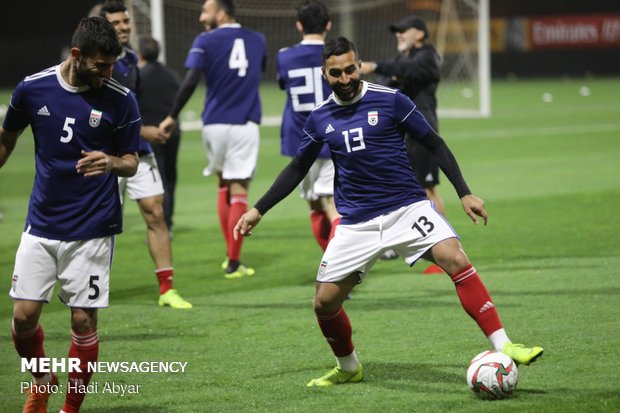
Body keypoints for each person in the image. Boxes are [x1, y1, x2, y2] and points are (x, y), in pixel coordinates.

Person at [234, 37, 543, 387]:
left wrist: (464, 192)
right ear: (325, 73)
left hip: (406, 208)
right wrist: (259, 209)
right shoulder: (320, 118)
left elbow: (434, 143)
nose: (345, 78)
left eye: (351, 69)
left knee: (455, 258)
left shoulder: (391, 100)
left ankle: (505, 345)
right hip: (355, 224)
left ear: (359, 64)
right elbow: (296, 168)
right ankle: (349, 368)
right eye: (336, 73)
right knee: (324, 303)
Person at [1, 17, 140, 413]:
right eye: (100, 65)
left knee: (82, 322)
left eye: (112, 65)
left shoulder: (121, 99)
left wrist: (112, 161)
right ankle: (42, 380)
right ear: (77, 56)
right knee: (23, 319)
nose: (107, 73)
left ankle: (69, 409)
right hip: (42, 222)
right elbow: (7, 137)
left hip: (93, 227)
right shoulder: (32, 88)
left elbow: (132, 161)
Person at [160, 0, 266, 279]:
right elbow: (259, 69)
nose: (200, 17)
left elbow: (191, 80)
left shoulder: (205, 41)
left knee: (223, 185)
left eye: (205, 10)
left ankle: (229, 254)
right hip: (244, 123)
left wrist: (173, 115)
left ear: (221, 13)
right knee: (240, 189)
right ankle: (234, 261)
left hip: (215, 123)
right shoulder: (258, 39)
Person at [100, 1, 192, 308]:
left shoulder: (131, 61)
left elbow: (130, 109)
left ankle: (167, 289)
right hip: (105, 156)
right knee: (102, 222)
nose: (124, 27)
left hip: (138, 152)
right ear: (104, 26)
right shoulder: (96, 64)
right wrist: (145, 131)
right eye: (116, 22)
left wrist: (145, 132)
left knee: (156, 212)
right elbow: (101, 116)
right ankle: (90, 286)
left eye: (126, 22)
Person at [361, 16, 444, 273]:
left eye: (402, 31)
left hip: (423, 133)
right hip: (401, 135)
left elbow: (412, 72)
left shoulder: (427, 56)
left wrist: (375, 65)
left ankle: (444, 248)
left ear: (419, 33)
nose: (398, 35)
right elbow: (388, 82)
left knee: (427, 189)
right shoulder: (402, 59)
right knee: (397, 187)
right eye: (396, 32)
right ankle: (395, 241)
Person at [276, 0, 339, 252]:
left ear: (299, 25)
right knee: (337, 206)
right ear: (328, 25)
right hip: (334, 138)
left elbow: (283, 84)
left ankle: (330, 265)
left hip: (300, 141)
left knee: (314, 204)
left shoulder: (284, 56)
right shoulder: (335, 55)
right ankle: (339, 268)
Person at [137, 35, 181, 233]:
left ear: (139, 54)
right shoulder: (172, 75)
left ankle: (162, 225)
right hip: (172, 132)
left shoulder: (138, 77)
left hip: (150, 134)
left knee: (158, 181)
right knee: (170, 178)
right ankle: (169, 223)